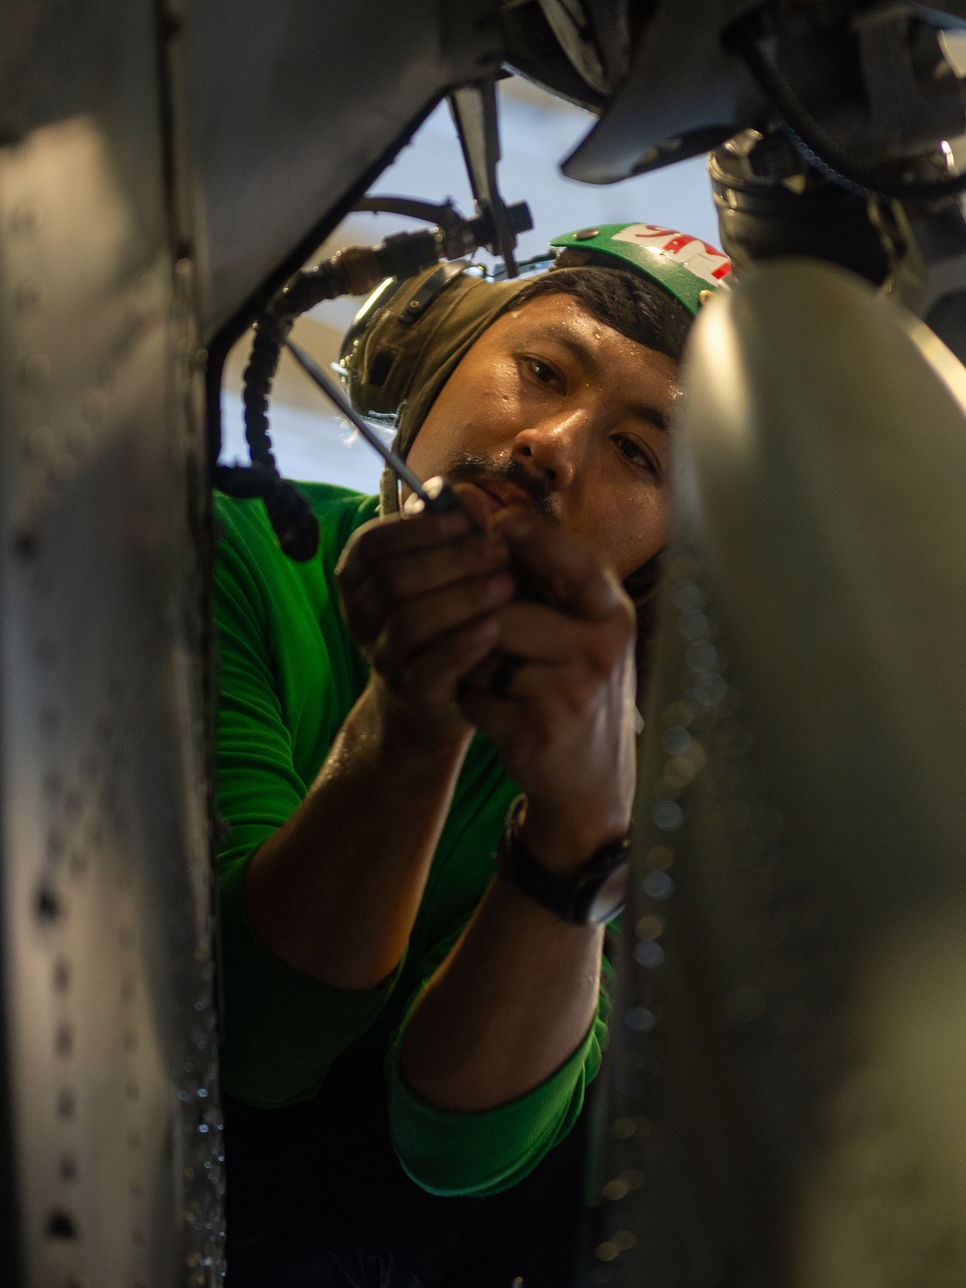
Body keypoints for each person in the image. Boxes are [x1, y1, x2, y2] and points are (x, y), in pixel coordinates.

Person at [214, 223, 732, 1288]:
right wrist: (417, 721)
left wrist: (582, 836)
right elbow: (250, 1044)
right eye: (539, 371)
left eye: (638, 454)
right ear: (430, 353)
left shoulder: (669, 802)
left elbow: (459, 1155)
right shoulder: (227, 543)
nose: (552, 443)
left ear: (664, 562)